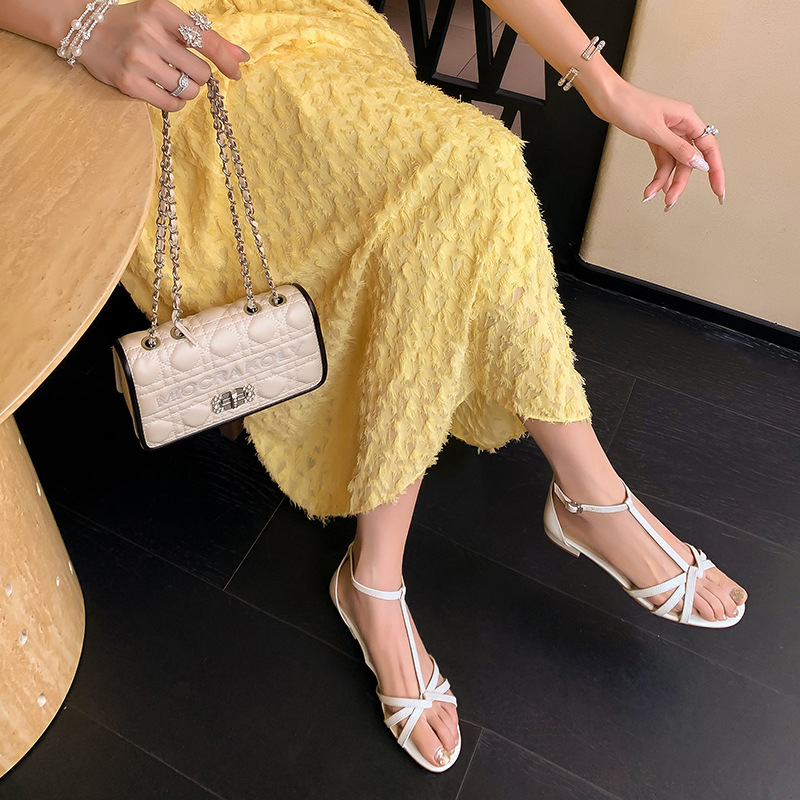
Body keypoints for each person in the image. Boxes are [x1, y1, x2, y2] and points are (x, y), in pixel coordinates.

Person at [1, 0, 748, 772]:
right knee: (456, 179)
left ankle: (388, 575)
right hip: (160, 60)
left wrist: (607, 86)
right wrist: (78, 22)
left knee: (460, 177)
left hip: (318, 31)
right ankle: (575, 504)